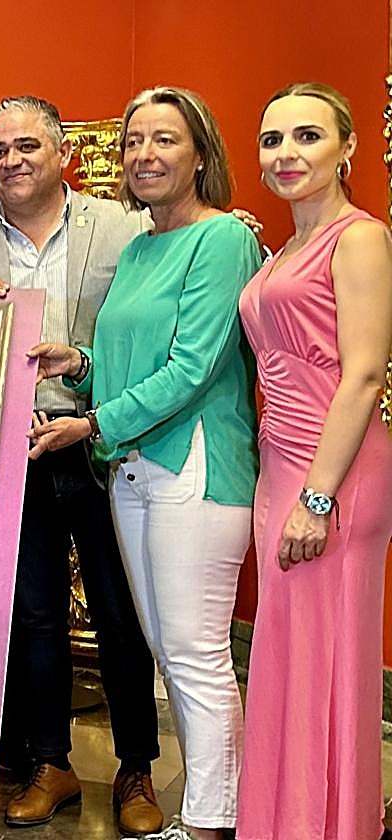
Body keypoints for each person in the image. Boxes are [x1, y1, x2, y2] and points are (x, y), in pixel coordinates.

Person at [28, 87, 262, 840]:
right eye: (133, 142)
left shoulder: (223, 239)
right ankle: (213, 805)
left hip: (193, 465)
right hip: (131, 467)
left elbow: (193, 369)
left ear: (201, 154)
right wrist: (83, 361)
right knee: (168, 646)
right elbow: (135, 362)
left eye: (164, 140)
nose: (144, 155)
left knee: (194, 653)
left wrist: (89, 420)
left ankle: (209, 821)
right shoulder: (139, 245)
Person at [0, 95, 163, 833]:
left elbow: (152, 344)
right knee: (32, 617)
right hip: (11, 452)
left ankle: (135, 769)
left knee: (122, 617)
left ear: (63, 152)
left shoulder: (128, 230)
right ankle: (51, 761)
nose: (10, 161)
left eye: (27, 146)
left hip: (103, 443)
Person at [236, 82, 392, 840]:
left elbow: (364, 372)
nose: (287, 153)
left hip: (339, 472)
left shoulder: (360, 236)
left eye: (307, 136)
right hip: (281, 469)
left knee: (328, 659)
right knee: (289, 661)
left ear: (347, 148)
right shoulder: (286, 246)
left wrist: (319, 498)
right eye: (272, 140)